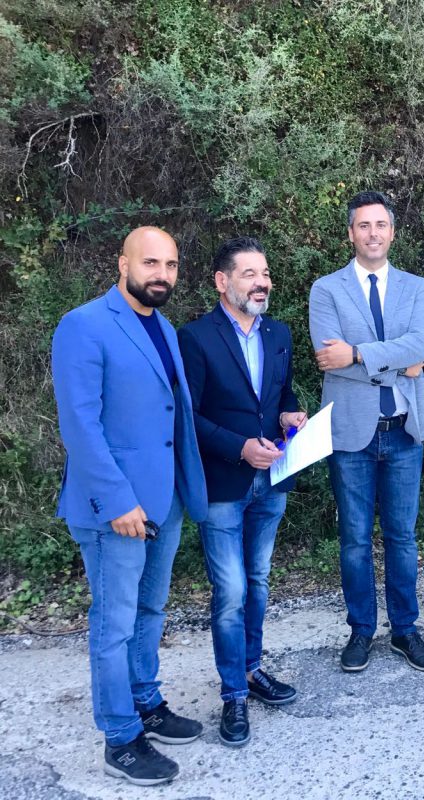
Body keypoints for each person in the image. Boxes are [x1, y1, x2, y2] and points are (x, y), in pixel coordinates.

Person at [51, 226, 207, 786]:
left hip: (163, 502)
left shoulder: (161, 326)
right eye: (150, 263)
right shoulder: (84, 325)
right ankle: (120, 737)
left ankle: (146, 702)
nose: (161, 274)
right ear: (123, 264)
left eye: (171, 265)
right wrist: (117, 500)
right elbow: (80, 424)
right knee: (113, 623)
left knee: (149, 612)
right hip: (114, 508)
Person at [178, 237, 307, 747]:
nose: (262, 282)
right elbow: (189, 417)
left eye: (265, 273)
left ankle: (252, 670)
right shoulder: (195, 337)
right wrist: (239, 448)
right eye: (250, 273)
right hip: (224, 484)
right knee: (230, 590)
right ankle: (232, 693)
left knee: (258, 579)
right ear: (222, 281)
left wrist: (289, 415)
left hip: (271, 480)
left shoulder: (280, 333)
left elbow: (282, 394)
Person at [310, 191, 424, 673]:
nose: (372, 233)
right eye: (363, 225)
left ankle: (405, 629)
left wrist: (359, 354)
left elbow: (421, 344)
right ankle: (361, 630)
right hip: (351, 434)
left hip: (403, 429)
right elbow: (330, 359)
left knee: (403, 538)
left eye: (380, 225)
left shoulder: (416, 287)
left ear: (392, 232)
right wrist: (399, 363)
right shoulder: (326, 289)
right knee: (355, 540)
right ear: (351, 233)